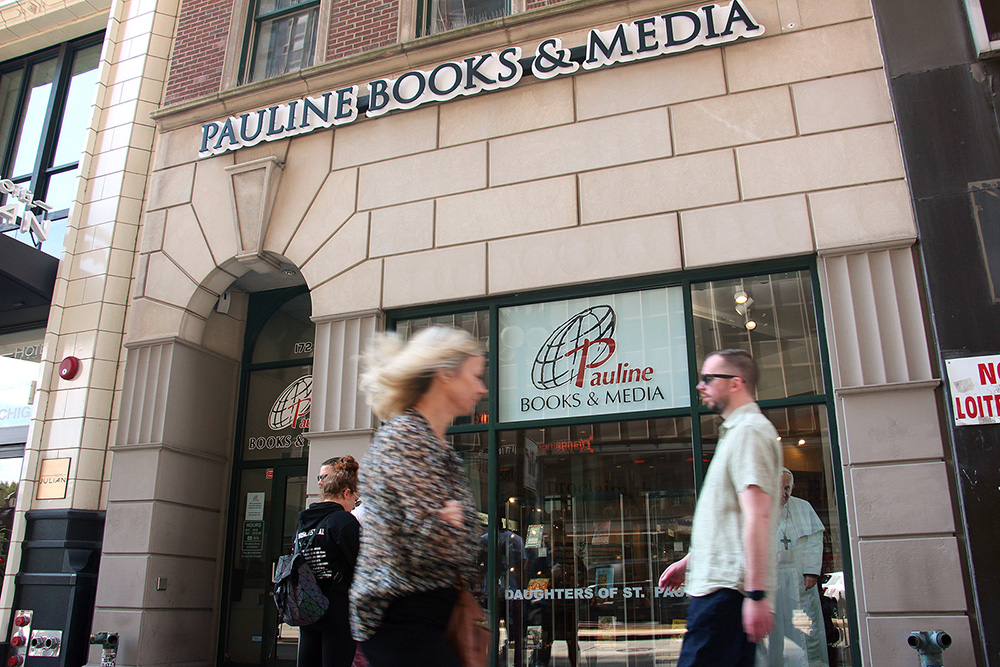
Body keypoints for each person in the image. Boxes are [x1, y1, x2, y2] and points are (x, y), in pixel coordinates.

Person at [350, 326, 487, 667]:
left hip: (429, 616)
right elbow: (431, 544)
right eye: (475, 376)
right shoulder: (405, 440)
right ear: (445, 373)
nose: (482, 389)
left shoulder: (438, 448)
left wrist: (453, 521)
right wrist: (450, 526)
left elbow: (468, 540)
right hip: (399, 618)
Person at [658, 349, 782, 666]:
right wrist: (689, 561)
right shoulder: (736, 433)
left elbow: (758, 516)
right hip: (719, 588)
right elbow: (729, 520)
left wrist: (755, 595)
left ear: (736, 383)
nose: (700, 386)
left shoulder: (749, 431)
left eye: (708, 378)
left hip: (726, 590)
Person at [297, 456, 363, 667]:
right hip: (337, 609)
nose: (354, 505)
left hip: (309, 606)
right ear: (346, 493)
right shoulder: (343, 521)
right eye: (354, 499)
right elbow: (363, 566)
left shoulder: (304, 523)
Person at [760, 469, 828, 667]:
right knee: (773, 630)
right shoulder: (760, 510)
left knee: (805, 628)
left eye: (787, 488)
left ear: (793, 487)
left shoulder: (803, 507)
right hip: (771, 582)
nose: (783, 493)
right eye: (778, 487)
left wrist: (811, 572)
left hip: (799, 580)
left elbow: (814, 542)